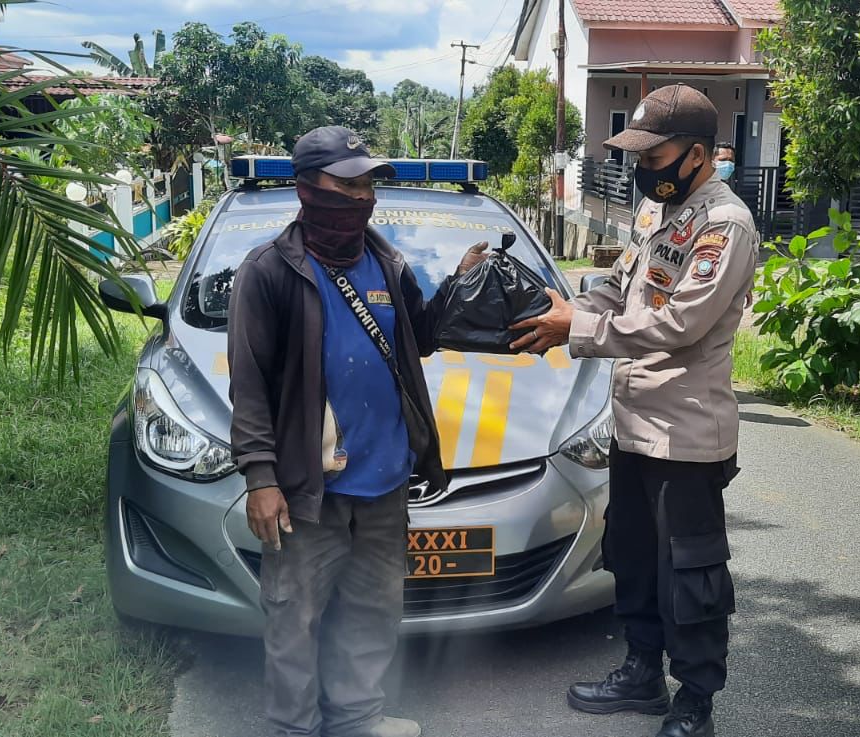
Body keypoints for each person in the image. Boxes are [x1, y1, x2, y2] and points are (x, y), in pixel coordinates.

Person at [510, 85, 757, 737]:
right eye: (636, 153)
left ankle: (696, 700)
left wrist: (579, 333)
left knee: (691, 573)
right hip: (634, 423)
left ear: (697, 154)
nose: (642, 166)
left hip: (686, 435)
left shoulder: (724, 224)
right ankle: (643, 671)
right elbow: (619, 285)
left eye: (655, 152)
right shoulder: (657, 213)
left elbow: (679, 322)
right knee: (634, 556)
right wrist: (563, 308)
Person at [227, 125, 489, 737]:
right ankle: (293, 727)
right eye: (348, 183)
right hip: (306, 490)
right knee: (294, 618)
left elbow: (418, 340)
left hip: (385, 481)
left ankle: (354, 720)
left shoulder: (389, 263)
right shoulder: (267, 272)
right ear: (308, 188)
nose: (363, 194)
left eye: (368, 182)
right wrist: (261, 478)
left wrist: (457, 283)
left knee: (372, 612)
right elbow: (250, 386)